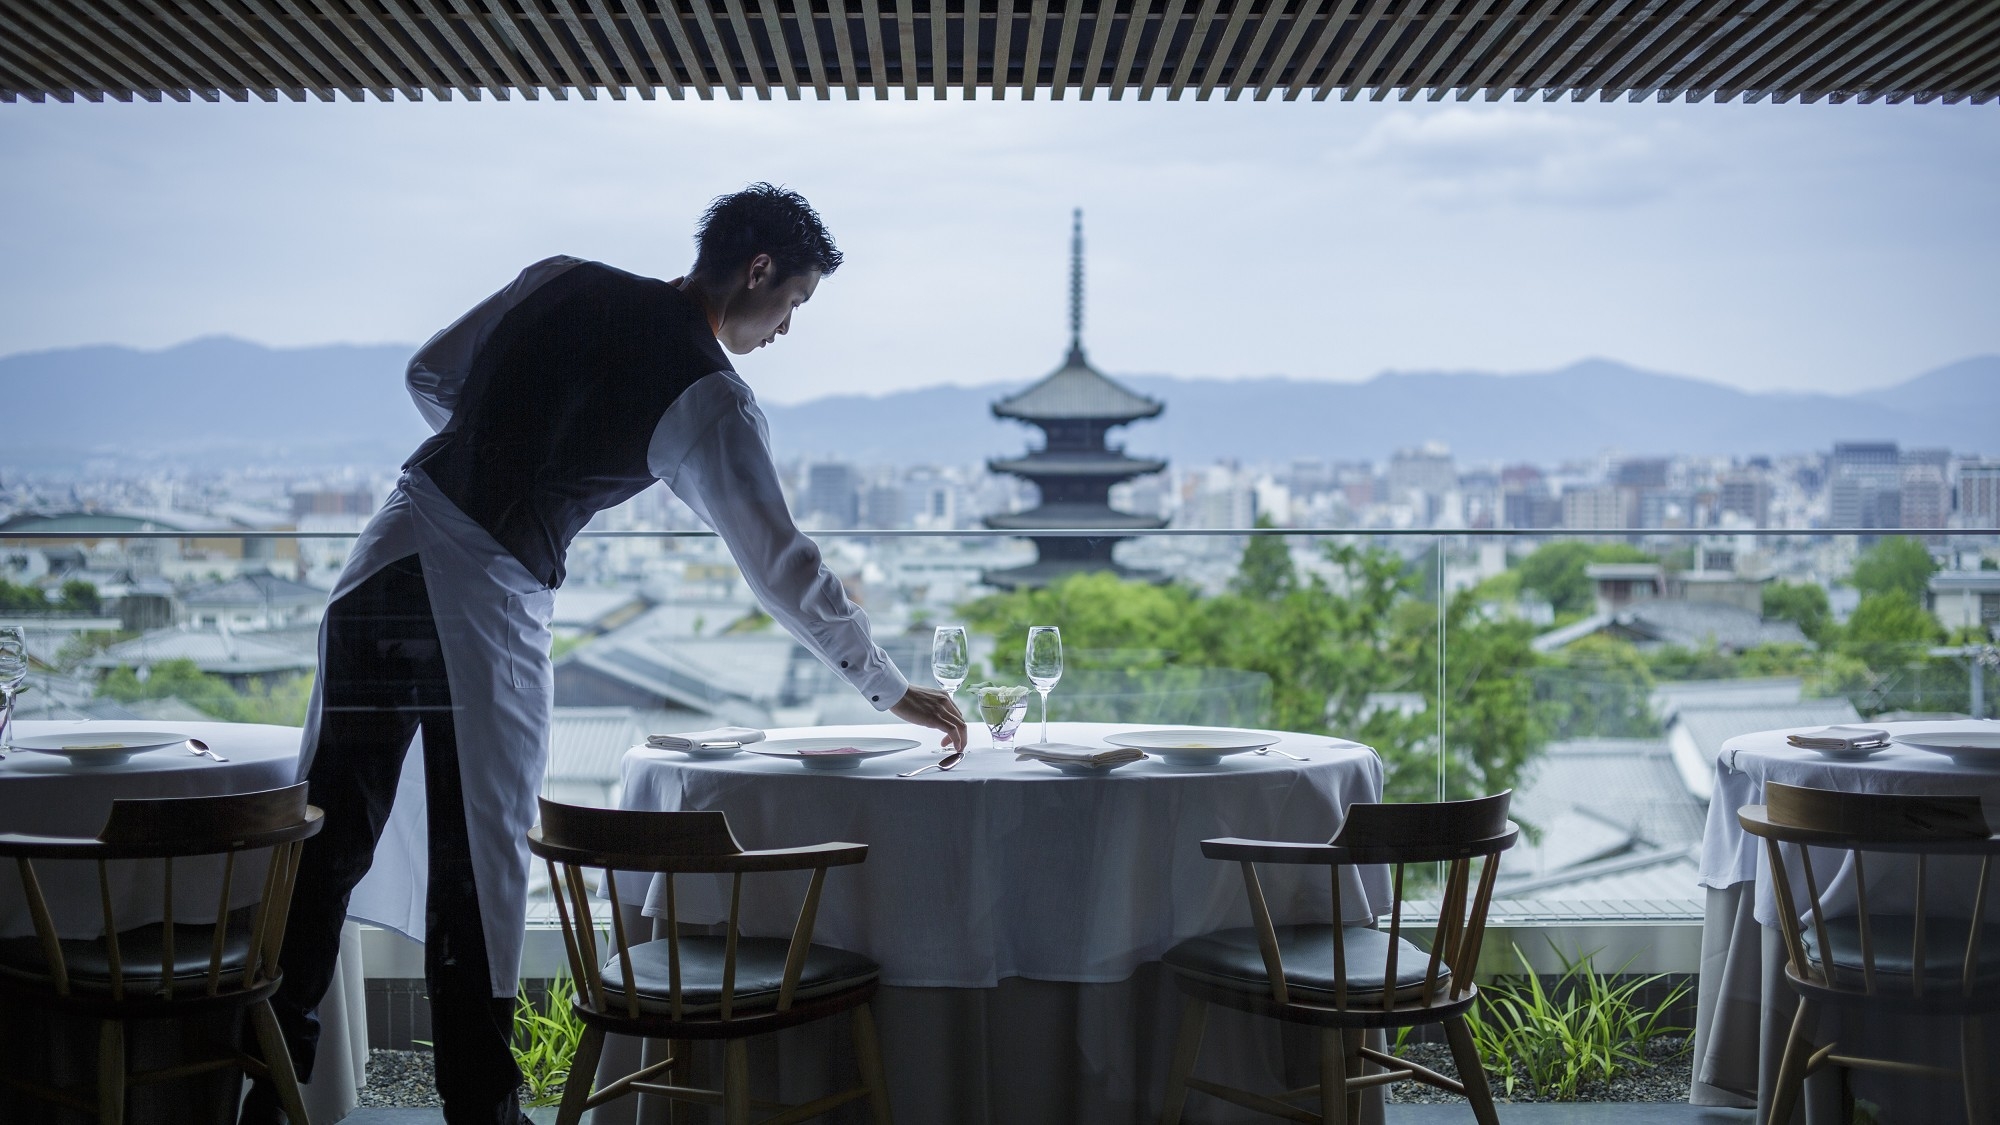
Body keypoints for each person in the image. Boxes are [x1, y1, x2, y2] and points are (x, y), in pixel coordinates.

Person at [241, 184, 968, 1125]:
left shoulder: (560, 276)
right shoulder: (711, 396)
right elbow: (782, 566)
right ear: (756, 273)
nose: (786, 327)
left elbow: (429, 375)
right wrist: (886, 685)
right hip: (480, 595)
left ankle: (266, 1092)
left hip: (384, 556)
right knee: (481, 859)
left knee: (330, 830)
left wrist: (509, 446)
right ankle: (482, 1107)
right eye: (792, 302)